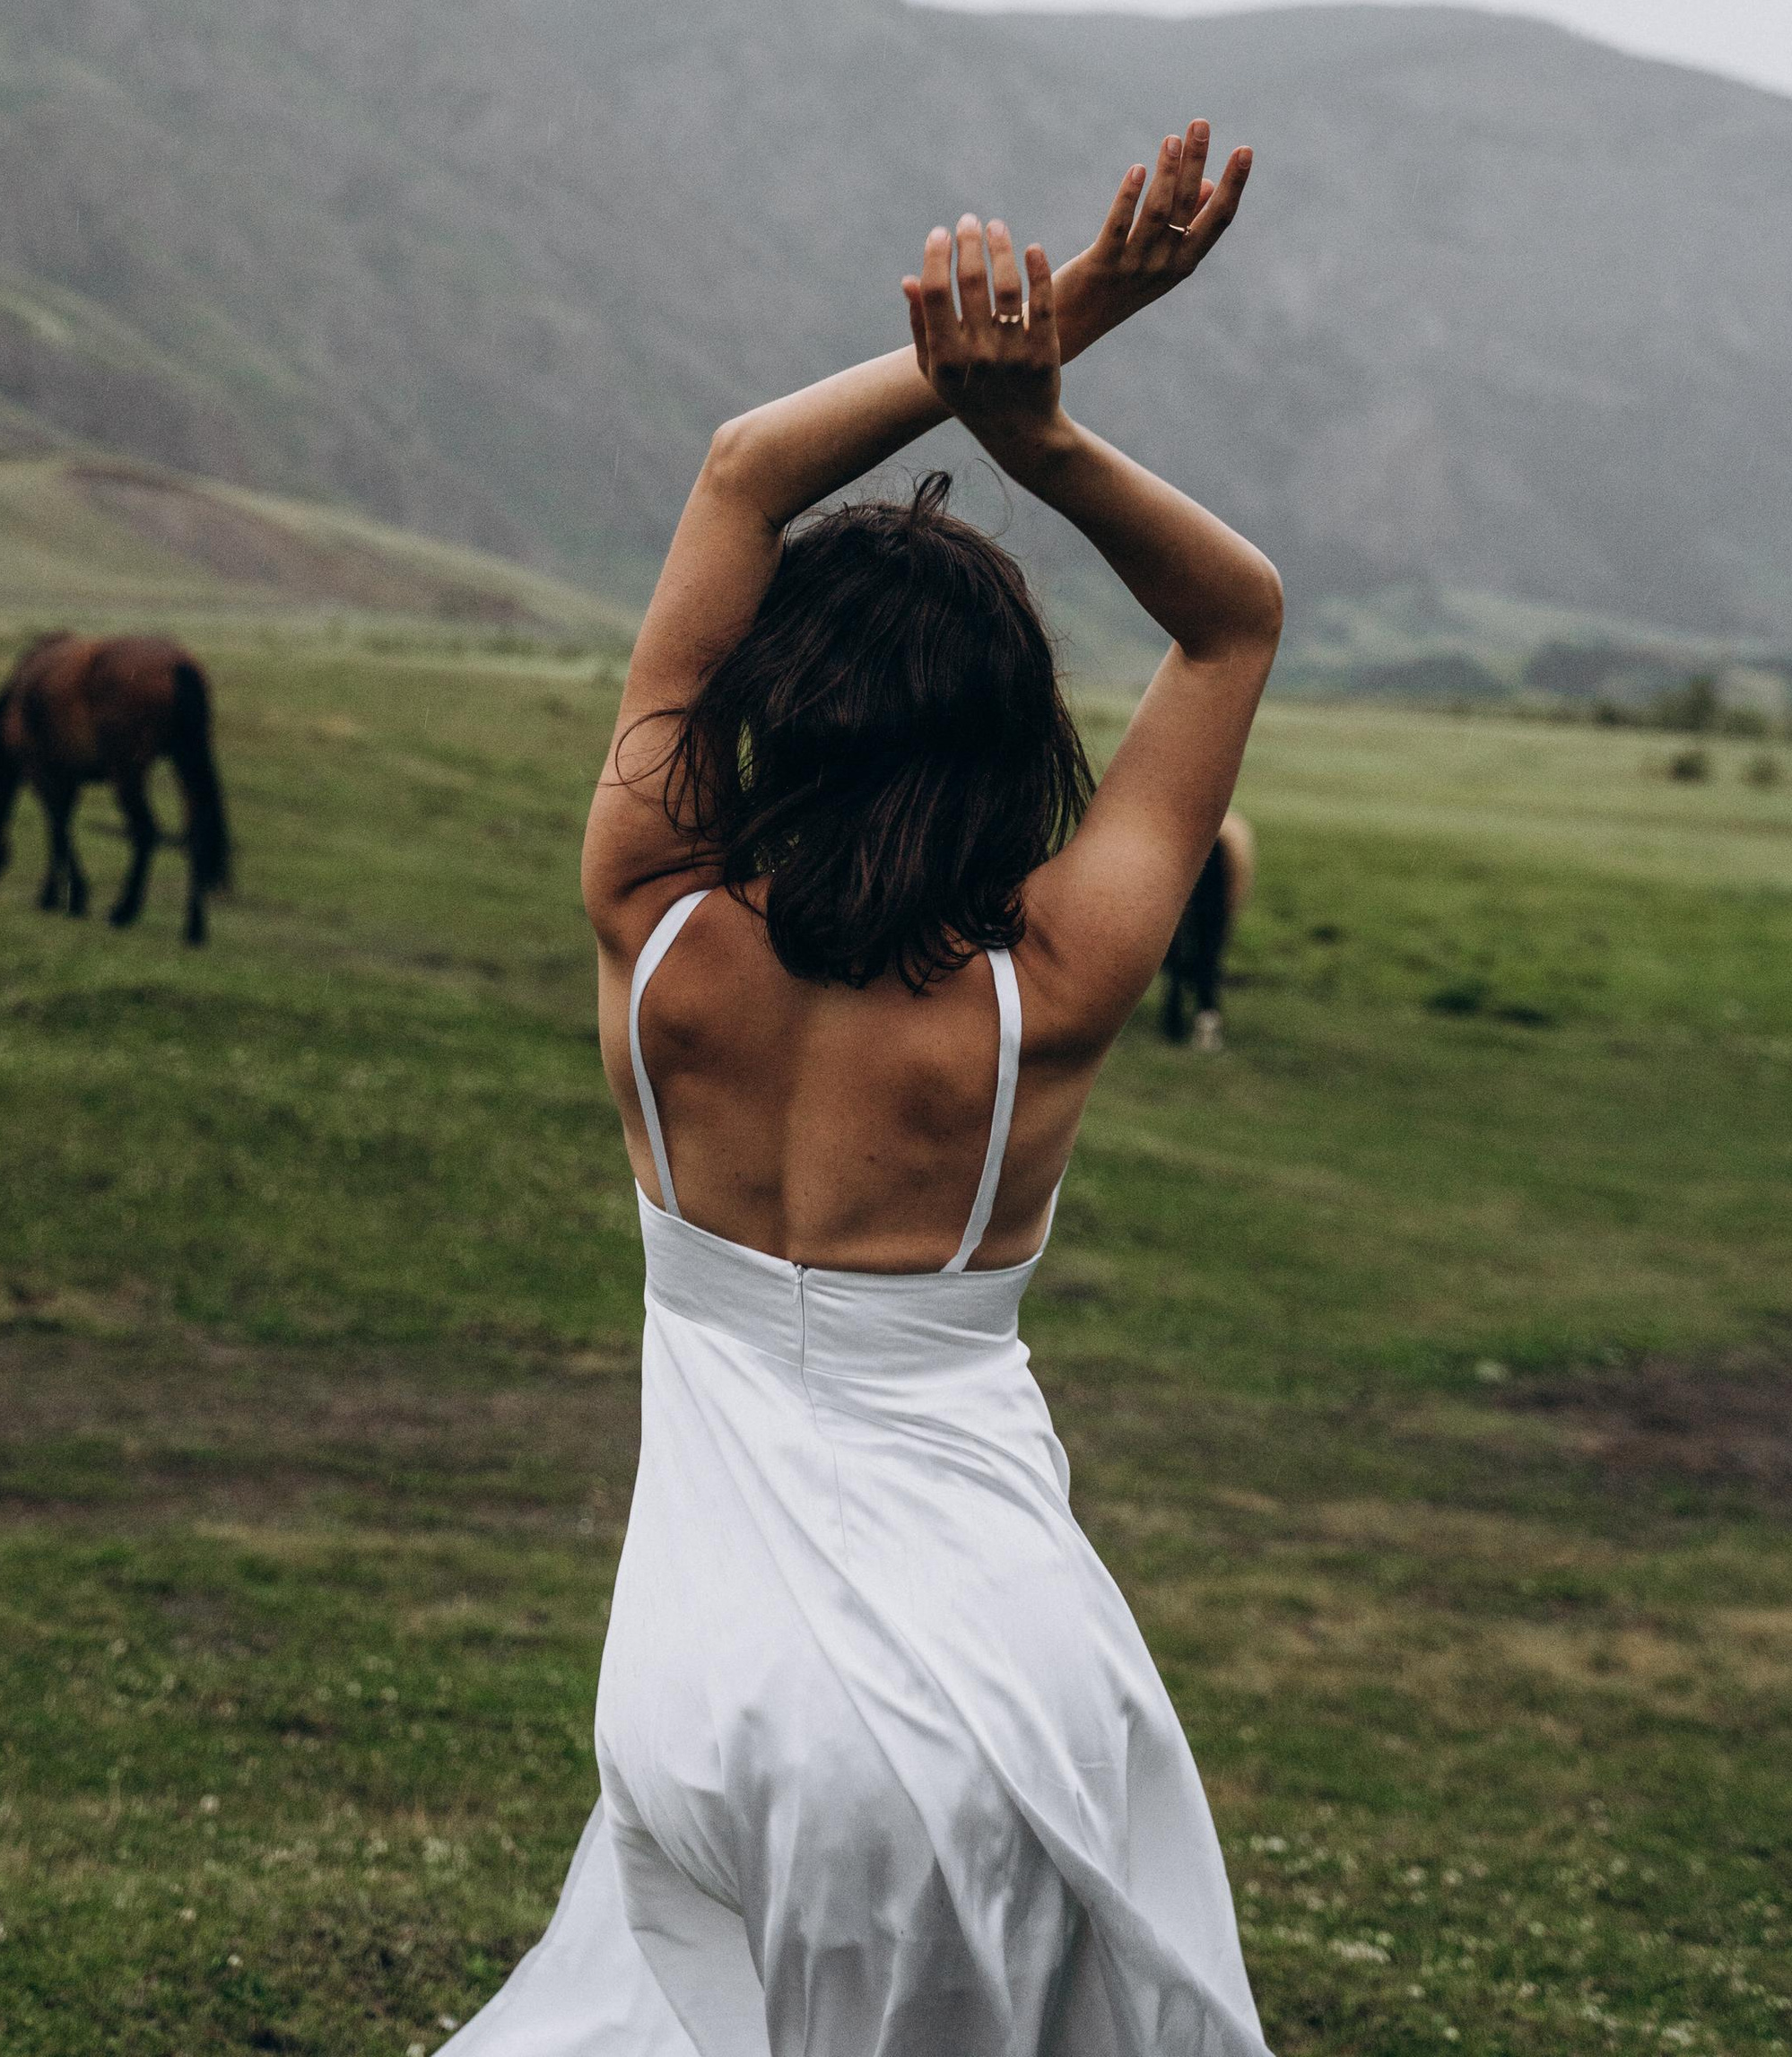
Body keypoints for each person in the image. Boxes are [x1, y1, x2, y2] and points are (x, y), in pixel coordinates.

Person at [449, 126, 1283, 2057]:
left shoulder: (646, 909)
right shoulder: (1047, 992)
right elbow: (1230, 617)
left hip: (694, 1686)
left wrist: (1038, 324)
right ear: (1011, 743)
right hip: (998, 1695)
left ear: (763, 701)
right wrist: (1042, 424)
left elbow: (744, 466)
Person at [1161, 810, 1257, 1050]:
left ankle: (1179, 1012)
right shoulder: (1231, 834)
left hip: (1199, 886)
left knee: (1180, 942)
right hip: (1213, 896)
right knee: (1206, 945)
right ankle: (1202, 1013)